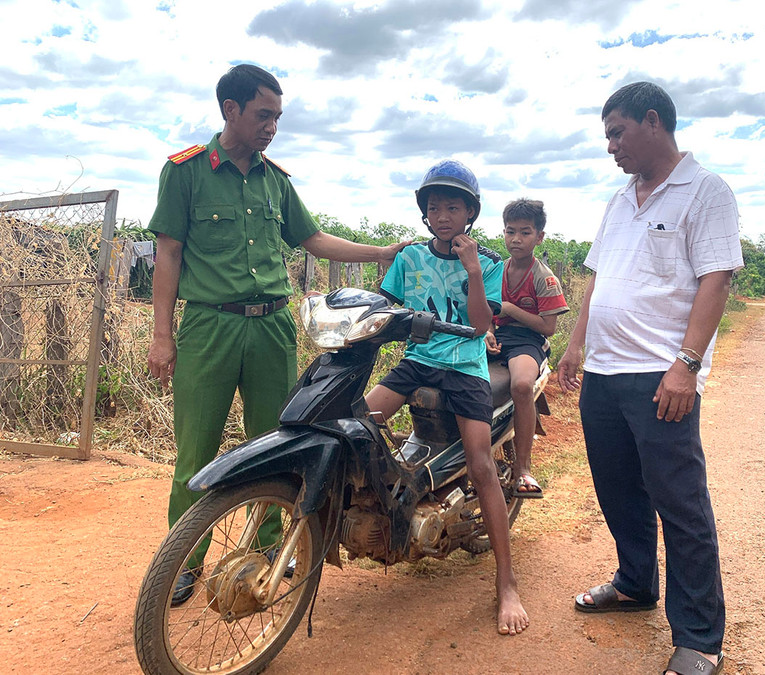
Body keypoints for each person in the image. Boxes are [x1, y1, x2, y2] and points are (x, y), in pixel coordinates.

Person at [147, 64, 405, 606]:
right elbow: (168, 254)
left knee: (280, 443)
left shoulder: (275, 180)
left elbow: (312, 238)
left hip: (271, 328)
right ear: (230, 110)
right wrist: (161, 335)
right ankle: (184, 562)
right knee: (195, 452)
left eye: (278, 117)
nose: (272, 127)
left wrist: (380, 253)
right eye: (264, 115)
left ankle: (269, 550)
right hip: (209, 327)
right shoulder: (186, 172)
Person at [556, 82, 743, 675]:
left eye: (617, 132)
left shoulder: (705, 191)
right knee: (618, 491)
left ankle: (699, 638)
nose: (610, 146)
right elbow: (596, 279)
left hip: (660, 375)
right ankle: (636, 583)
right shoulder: (619, 200)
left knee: (679, 502)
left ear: (653, 122)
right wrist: (575, 344)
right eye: (607, 135)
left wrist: (686, 365)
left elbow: (716, 280)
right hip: (605, 374)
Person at [364, 159, 529, 636]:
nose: (441, 215)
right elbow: (386, 312)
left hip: (465, 366)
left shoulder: (492, 263)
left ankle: (507, 582)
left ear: (469, 213)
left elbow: (480, 326)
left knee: (481, 466)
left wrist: (474, 270)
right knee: (360, 423)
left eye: (452, 207)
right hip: (418, 361)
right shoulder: (409, 258)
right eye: (433, 206)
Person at [485, 199, 568, 498]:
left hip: (527, 341)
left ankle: (523, 468)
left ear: (539, 237)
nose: (516, 239)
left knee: (521, 385)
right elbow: (485, 312)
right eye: (510, 231)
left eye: (525, 232)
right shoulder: (495, 271)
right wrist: (488, 331)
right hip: (498, 338)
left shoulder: (543, 277)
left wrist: (509, 309)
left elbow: (548, 327)